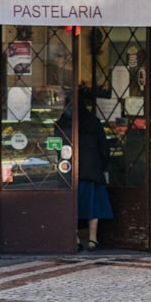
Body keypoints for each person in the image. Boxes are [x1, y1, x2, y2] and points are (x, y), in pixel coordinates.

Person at [56, 91, 113, 251]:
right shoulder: (93, 121)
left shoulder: (64, 121)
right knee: (93, 206)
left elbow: (57, 147)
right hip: (92, 171)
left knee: (72, 205)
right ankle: (93, 239)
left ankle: (75, 239)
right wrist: (103, 166)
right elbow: (104, 147)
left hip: (70, 171)